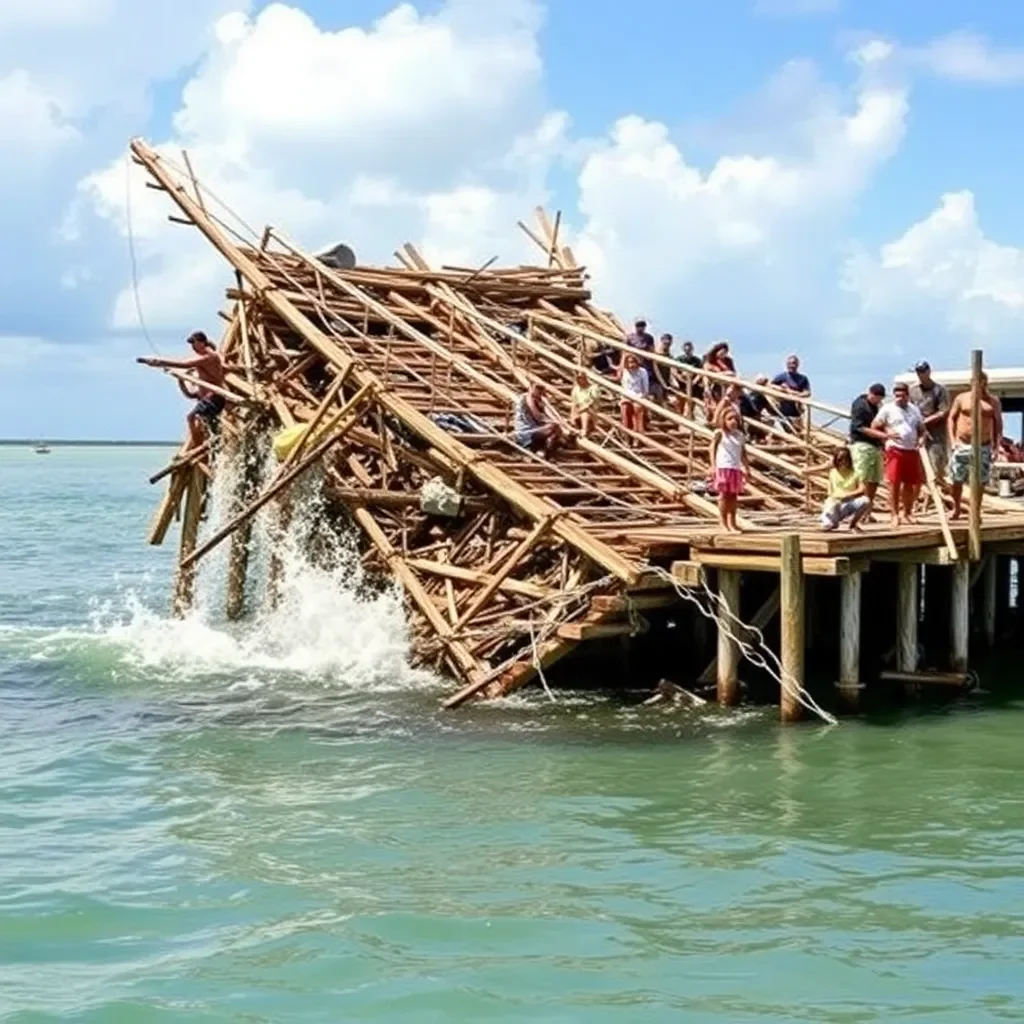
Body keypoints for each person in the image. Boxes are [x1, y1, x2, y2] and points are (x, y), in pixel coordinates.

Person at [137, 330, 227, 449]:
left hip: (214, 398)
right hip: (207, 399)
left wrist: (158, 361)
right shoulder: (202, 359)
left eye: (193, 343)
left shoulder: (210, 357)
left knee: (192, 417)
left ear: (202, 342)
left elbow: (184, 364)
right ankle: (209, 446)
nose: (192, 346)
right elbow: (189, 393)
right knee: (209, 427)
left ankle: (197, 445)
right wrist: (179, 378)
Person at [947, 372, 1003, 520]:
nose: (979, 385)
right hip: (963, 443)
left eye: (982, 382)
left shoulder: (993, 402)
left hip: (983, 445)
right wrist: (953, 440)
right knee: (956, 479)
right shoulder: (962, 398)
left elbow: (998, 424)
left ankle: (976, 511)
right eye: (976, 382)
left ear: (985, 383)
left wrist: (997, 446)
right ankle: (957, 508)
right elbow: (951, 418)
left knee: (980, 481)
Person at [873, 380, 925, 526]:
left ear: (907, 396)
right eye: (897, 396)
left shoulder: (914, 409)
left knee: (910, 483)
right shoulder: (887, 409)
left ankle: (907, 512)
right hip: (895, 448)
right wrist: (886, 434)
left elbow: (921, 429)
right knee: (894, 483)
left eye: (902, 395)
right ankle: (894, 514)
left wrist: (921, 439)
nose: (899, 398)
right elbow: (875, 426)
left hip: (911, 450)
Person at [909, 360, 950, 484]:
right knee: (917, 466)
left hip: (935, 434)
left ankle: (937, 494)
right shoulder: (913, 390)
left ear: (929, 371)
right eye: (918, 372)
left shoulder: (940, 390)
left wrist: (924, 422)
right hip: (917, 433)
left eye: (923, 371)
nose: (921, 374)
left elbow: (943, 412)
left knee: (935, 464)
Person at [848, 383, 888, 510]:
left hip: (875, 446)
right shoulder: (860, 405)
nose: (878, 400)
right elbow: (859, 427)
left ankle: (867, 508)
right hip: (862, 444)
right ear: (870, 393)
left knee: (874, 480)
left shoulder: (877, 407)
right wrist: (880, 435)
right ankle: (856, 508)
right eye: (877, 397)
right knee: (862, 478)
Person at [710, 407, 749, 532]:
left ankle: (732, 521)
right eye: (730, 419)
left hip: (735, 467)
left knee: (733, 496)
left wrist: (746, 467)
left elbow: (743, 452)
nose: (733, 422)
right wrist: (713, 465)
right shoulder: (720, 433)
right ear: (724, 420)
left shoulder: (739, 435)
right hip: (723, 466)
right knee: (724, 495)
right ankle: (723, 522)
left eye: (735, 419)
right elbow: (712, 449)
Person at [819, 447, 870, 532]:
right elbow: (810, 471)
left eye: (846, 459)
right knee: (828, 520)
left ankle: (853, 524)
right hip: (834, 502)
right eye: (840, 459)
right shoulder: (832, 471)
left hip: (848, 502)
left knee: (865, 500)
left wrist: (849, 495)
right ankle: (831, 522)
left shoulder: (856, 472)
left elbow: (862, 489)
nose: (843, 462)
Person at [513, 382, 563, 457]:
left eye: (541, 388)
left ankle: (546, 451)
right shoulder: (527, 398)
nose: (539, 390)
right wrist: (552, 421)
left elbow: (550, 414)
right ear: (531, 388)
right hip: (526, 430)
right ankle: (542, 450)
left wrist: (558, 421)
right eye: (537, 388)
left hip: (535, 428)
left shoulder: (539, 400)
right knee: (553, 427)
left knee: (556, 429)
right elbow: (538, 416)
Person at [771, 354, 810, 431]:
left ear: (797, 365)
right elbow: (770, 385)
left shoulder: (802, 378)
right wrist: (781, 389)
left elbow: (807, 393)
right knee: (781, 434)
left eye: (793, 363)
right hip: (782, 412)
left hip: (796, 412)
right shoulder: (782, 376)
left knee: (796, 433)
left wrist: (795, 393)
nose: (791, 366)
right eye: (789, 364)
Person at [618, 352, 650, 435]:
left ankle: (637, 434)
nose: (631, 364)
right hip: (627, 396)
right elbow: (620, 380)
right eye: (628, 362)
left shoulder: (642, 372)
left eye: (633, 362)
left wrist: (643, 398)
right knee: (625, 408)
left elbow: (645, 389)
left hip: (639, 396)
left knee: (637, 408)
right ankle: (626, 435)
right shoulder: (624, 371)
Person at [674, 340, 703, 418]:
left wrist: (694, 381)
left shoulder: (697, 360)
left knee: (695, 397)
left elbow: (700, 372)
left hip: (694, 384)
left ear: (692, 349)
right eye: (686, 349)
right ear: (683, 349)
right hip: (682, 383)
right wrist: (681, 379)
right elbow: (674, 371)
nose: (688, 351)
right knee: (680, 398)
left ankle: (691, 413)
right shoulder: (679, 359)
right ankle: (680, 414)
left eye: (689, 349)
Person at [570, 370, 601, 438]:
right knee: (576, 411)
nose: (579, 380)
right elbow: (574, 403)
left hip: (592, 411)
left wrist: (585, 407)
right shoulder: (576, 389)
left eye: (580, 378)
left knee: (585, 412)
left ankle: (584, 430)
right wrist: (572, 416)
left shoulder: (593, 388)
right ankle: (575, 428)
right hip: (580, 410)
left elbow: (593, 401)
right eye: (577, 379)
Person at [649, 334, 674, 404]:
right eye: (665, 343)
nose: (667, 345)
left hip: (665, 380)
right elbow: (656, 370)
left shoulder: (669, 355)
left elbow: (671, 370)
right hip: (656, 381)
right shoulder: (656, 354)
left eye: (669, 344)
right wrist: (663, 384)